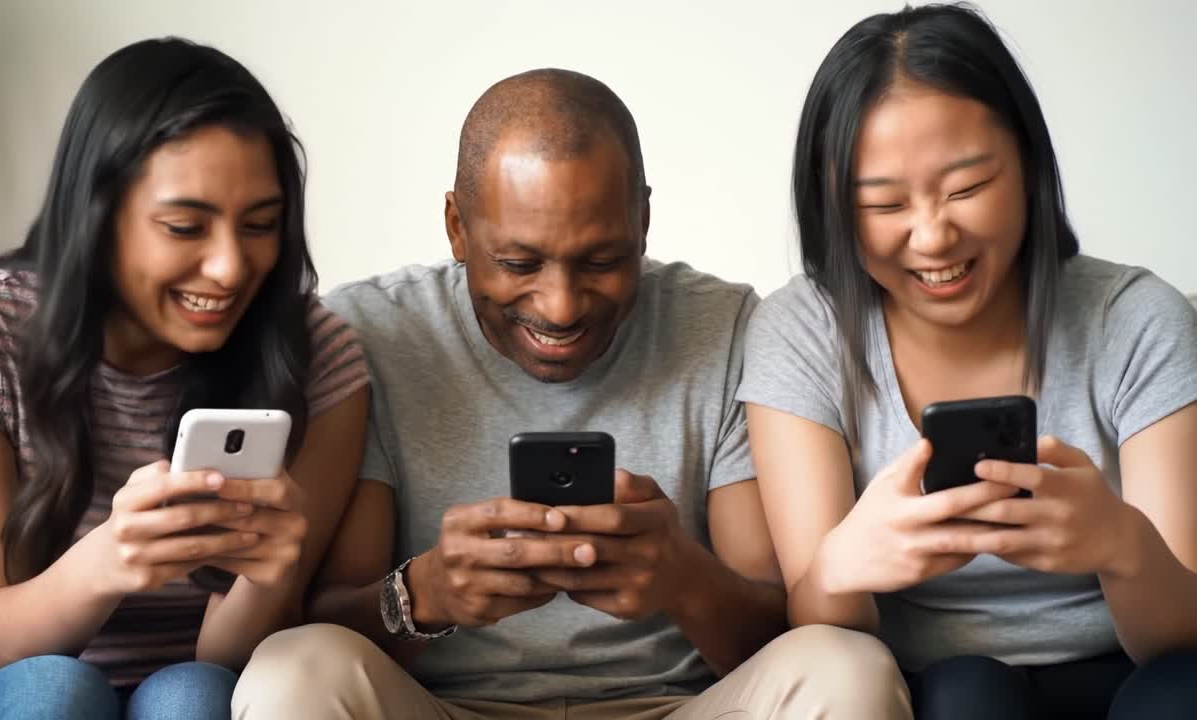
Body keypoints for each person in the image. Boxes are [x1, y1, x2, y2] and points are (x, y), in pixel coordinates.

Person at [232, 67, 910, 720]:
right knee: (294, 668)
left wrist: (680, 577)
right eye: (520, 263)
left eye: (603, 261)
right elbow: (327, 615)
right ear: (457, 227)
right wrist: (428, 593)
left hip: (677, 705)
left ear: (643, 220)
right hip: (441, 706)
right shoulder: (375, 333)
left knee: (845, 667)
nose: (560, 307)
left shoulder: (724, 327)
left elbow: (777, 631)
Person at [738, 5, 1197, 719]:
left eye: (967, 189)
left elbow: (1180, 636)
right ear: (832, 209)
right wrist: (842, 565)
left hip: (1138, 665)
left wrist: (1122, 544)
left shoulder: (1137, 319)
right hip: (940, 684)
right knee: (966, 696)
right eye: (884, 204)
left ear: (1028, 166)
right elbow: (827, 638)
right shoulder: (803, 333)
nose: (933, 236)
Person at [0, 38, 370, 719]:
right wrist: (111, 560)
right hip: (4, 690)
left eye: (261, 225)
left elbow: (225, 662)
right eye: (185, 227)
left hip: (192, 690)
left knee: (194, 695)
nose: (229, 267)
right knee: (57, 692)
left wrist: (265, 580)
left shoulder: (317, 357)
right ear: (96, 218)